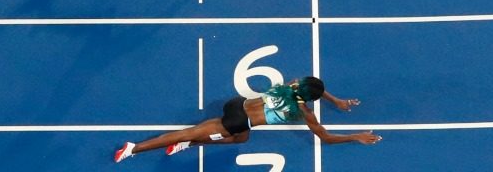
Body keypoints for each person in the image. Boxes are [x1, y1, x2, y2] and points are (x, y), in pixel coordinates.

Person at [113, 77, 381, 164]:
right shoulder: (305, 113)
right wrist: (355, 136)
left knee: (242, 139)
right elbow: (326, 139)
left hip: (237, 103)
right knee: (187, 133)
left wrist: (336, 101)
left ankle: (190, 144)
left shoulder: (291, 85)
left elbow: (313, 88)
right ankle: (132, 148)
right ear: (311, 99)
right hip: (236, 120)